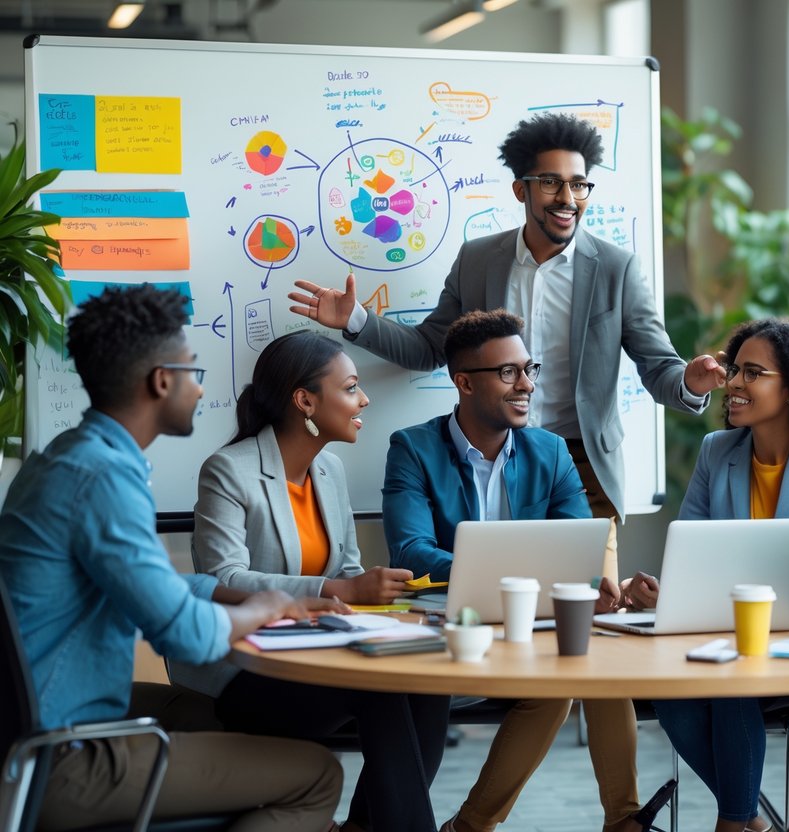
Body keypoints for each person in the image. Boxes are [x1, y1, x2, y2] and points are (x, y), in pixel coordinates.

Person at [289, 112, 727, 579]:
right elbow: (429, 348)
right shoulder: (479, 260)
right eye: (551, 183)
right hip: (492, 450)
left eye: (579, 185)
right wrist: (355, 320)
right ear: (521, 189)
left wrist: (690, 381)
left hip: (579, 464)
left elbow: (658, 367)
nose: (567, 198)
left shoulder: (615, 269)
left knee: (589, 603)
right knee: (494, 588)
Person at [0, 285, 343, 831]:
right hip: (62, 759)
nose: (201, 389)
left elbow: (154, 586)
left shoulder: (66, 459)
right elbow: (183, 635)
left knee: (227, 717)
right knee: (317, 774)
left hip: (36, 726)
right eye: (193, 371)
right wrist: (265, 610)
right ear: (162, 381)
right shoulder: (104, 478)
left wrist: (252, 595)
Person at [383, 310, 673, 832]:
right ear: (464, 382)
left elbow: (576, 551)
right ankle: (471, 828)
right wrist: (523, 576)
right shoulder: (413, 449)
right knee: (562, 678)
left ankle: (622, 821)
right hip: (454, 626)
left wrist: (600, 587)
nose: (527, 385)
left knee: (591, 658)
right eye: (509, 373)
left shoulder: (551, 450)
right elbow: (411, 552)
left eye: (529, 368)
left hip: (531, 629)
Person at [173, 331, 450, 832]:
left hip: (318, 656)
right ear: (305, 400)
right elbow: (222, 577)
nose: (363, 399)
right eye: (350, 387)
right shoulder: (228, 472)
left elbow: (344, 572)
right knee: (379, 688)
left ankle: (366, 826)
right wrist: (336, 592)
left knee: (428, 683)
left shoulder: (330, 471)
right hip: (245, 672)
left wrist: (390, 592)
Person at [631, 319, 789, 832]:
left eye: (753, 373)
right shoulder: (717, 452)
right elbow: (691, 551)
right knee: (676, 692)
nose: (734, 383)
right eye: (735, 370)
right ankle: (747, 823)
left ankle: (738, 823)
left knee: (734, 677)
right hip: (732, 635)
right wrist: (663, 589)